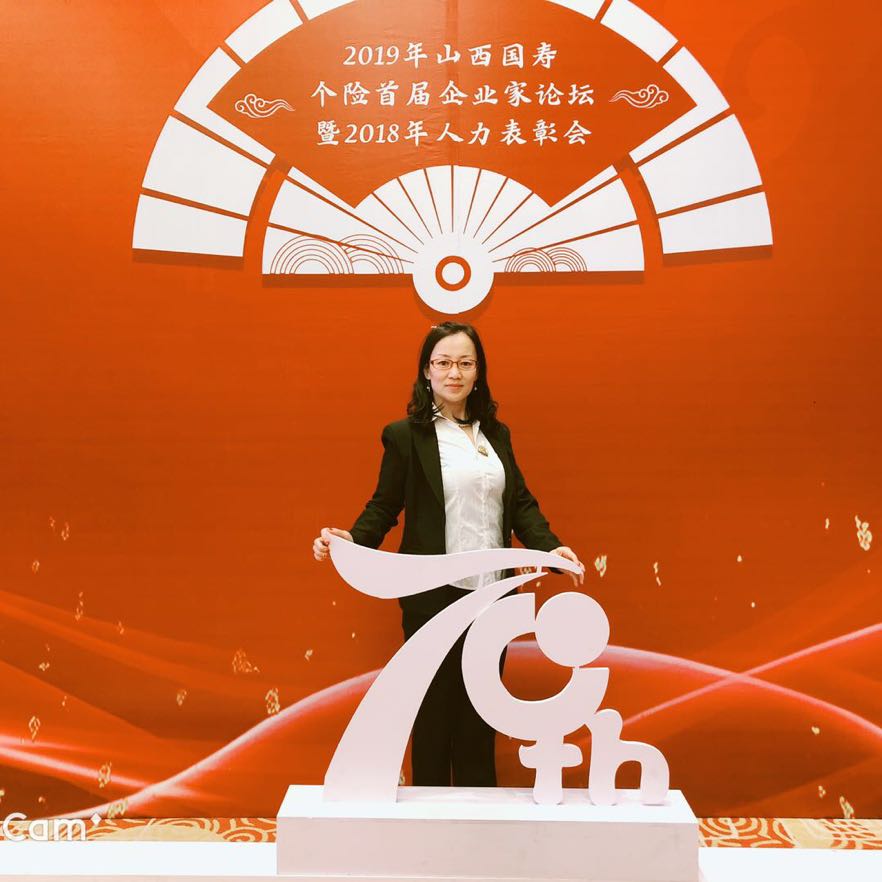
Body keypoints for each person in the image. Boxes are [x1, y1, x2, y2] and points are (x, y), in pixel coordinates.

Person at [312, 321, 584, 787]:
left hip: (491, 597)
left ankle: (479, 822)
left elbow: (519, 504)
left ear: (478, 372)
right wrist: (352, 541)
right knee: (433, 715)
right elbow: (384, 506)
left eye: (464, 363)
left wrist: (549, 547)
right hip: (433, 597)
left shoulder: (496, 435)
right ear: (426, 371)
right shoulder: (405, 436)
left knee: (481, 713)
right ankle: (430, 820)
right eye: (443, 362)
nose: (454, 372)